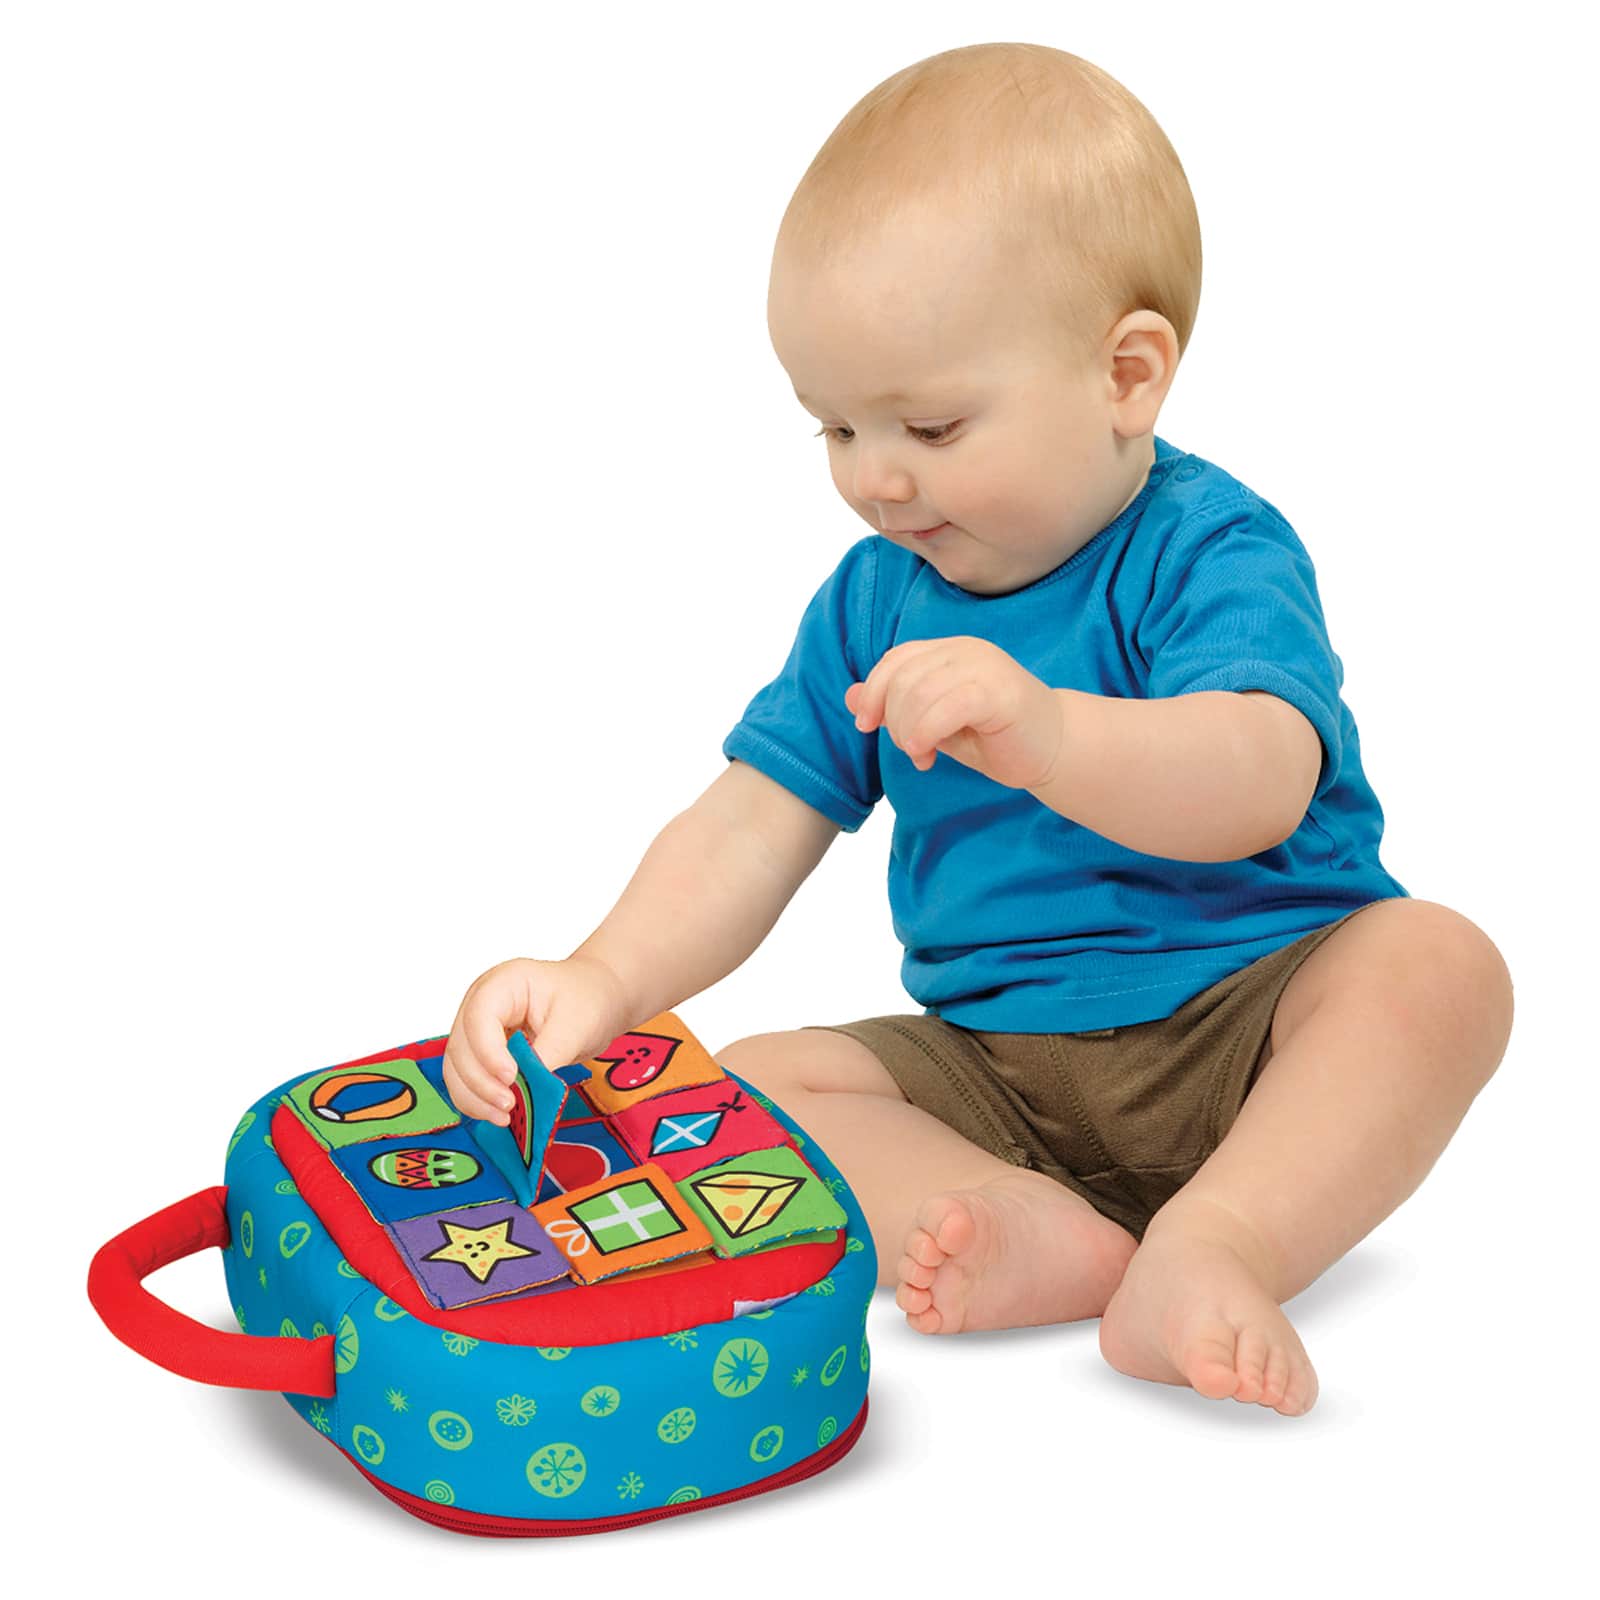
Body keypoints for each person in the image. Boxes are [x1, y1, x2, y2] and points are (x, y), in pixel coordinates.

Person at [441, 43, 1513, 1416]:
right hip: (995, 1069)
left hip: (1251, 1029)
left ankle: (1220, 1240)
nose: (877, 481)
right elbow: (749, 826)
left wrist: (1050, 734)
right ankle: (1023, 1223)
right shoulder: (874, 601)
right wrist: (603, 976)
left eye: (934, 426)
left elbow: (1258, 780)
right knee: (748, 1088)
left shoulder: (1210, 550)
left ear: (1128, 376)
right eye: (836, 430)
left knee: (1436, 967)